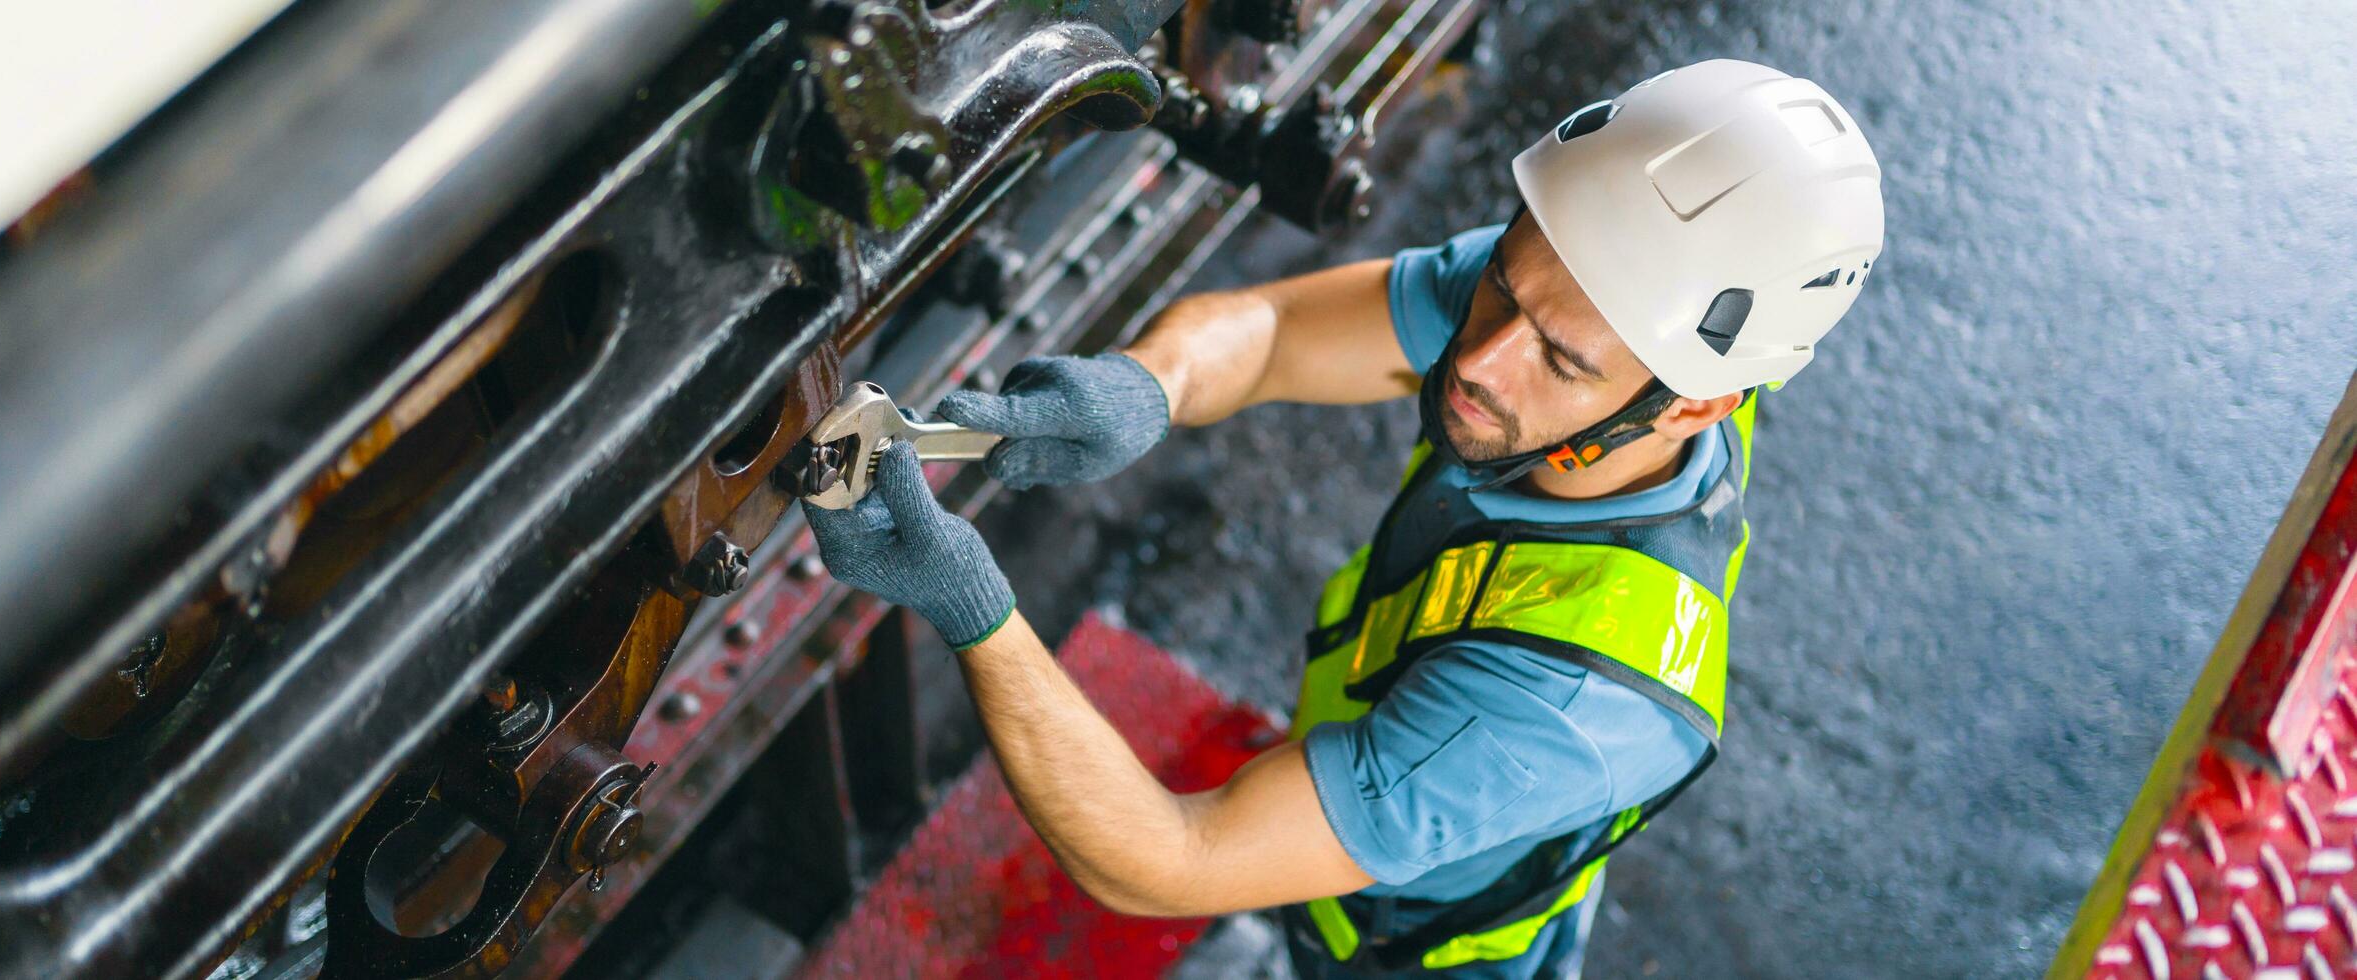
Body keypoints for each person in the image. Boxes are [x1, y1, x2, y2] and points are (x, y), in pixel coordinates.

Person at [803, 59, 1884, 977]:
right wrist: (1147, 384)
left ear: (1699, 401)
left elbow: (1168, 855)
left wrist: (972, 605)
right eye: (1504, 289)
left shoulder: (1555, 710)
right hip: (1394, 787)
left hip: (1402, 945)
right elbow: (1272, 331)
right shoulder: (1596, 318)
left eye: (1556, 358)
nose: (1477, 358)